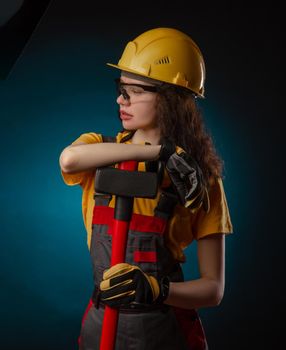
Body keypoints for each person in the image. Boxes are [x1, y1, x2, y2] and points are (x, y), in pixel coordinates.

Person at [59, 27, 233, 350]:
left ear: (171, 99)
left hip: (164, 329)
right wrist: (158, 152)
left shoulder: (201, 179)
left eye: (135, 91)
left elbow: (214, 289)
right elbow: (68, 159)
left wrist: (157, 289)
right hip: (101, 323)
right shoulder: (98, 150)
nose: (120, 100)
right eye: (120, 88)